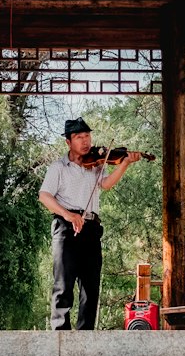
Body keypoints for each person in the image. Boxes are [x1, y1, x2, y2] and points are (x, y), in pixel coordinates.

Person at [38, 118, 143, 330]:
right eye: (79, 137)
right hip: (66, 228)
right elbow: (44, 196)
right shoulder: (58, 167)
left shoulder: (96, 165)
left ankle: (85, 334)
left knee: (90, 285)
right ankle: (60, 334)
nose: (85, 142)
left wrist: (124, 164)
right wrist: (68, 215)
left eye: (87, 136)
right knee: (63, 283)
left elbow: (106, 184)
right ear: (68, 142)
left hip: (92, 228)